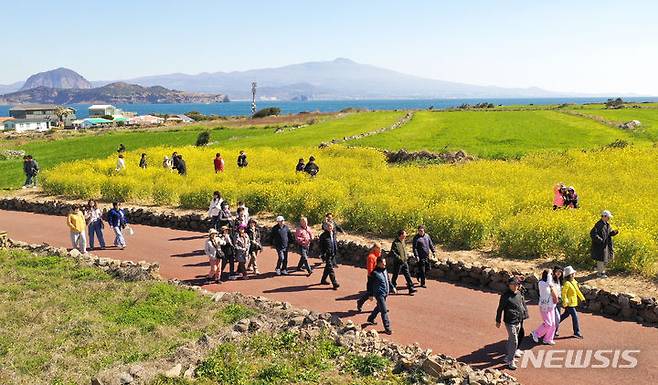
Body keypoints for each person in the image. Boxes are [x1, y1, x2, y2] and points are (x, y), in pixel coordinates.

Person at [495, 277, 529, 370]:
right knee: (514, 340)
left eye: (517, 284)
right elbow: (500, 309)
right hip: (509, 321)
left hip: (518, 320)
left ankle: (508, 356)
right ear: (509, 285)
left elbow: (522, 305)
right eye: (513, 284)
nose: (515, 286)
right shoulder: (505, 296)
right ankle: (511, 360)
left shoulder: (519, 293)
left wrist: (524, 315)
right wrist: (498, 320)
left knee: (511, 339)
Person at [366, 256, 393, 335]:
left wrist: (392, 287)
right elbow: (369, 284)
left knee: (379, 307)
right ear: (378, 264)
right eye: (383, 263)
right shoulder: (374, 273)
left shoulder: (385, 271)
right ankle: (387, 328)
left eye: (385, 262)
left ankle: (370, 318)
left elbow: (388, 280)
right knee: (384, 310)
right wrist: (370, 294)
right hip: (379, 294)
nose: (385, 264)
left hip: (385, 293)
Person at [530, 270, 558, 345]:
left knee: (553, 324)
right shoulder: (541, 283)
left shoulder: (551, 283)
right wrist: (549, 273)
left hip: (551, 306)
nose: (552, 276)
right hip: (544, 306)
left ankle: (548, 339)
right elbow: (549, 284)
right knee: (548, 323)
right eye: (550, 275)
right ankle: (536, 333)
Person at [590, 210, 618, 278]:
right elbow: (593, 234)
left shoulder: (606, 224)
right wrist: (600, 240)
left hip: (605, 245)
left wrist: (613, 233)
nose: (609, 218)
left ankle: (601, 271)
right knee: (600, 259)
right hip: (600, 245)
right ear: (604, 216)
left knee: (604, 258)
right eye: (608, 217)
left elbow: (608, 233)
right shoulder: (598, 224)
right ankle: (600, 273)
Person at [559, 265, 585, 339]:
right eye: (573, 273)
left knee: (565, 315)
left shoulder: (574, 282)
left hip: (572, 303)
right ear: (570, 275)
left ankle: (554, 325)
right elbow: (563, 293)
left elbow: (577, 291)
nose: (574, 274)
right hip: (569, 304)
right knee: (575, 316)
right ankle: (576, 332)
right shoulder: (567, 283)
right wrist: (565, 301)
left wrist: (582, 299)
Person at [390, 230, 417, 295]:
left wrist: (405, 257)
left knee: (408, 275)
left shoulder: (403, 241)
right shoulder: (395, 243)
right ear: (401, 235)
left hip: (404, 262)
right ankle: (392, 287)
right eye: (405, 234)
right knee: (395, 276)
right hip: (398, 263)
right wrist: (400, 259)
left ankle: (411, 289)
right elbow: (393, 252)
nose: (406, 235)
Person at [356, 242, 382, 311]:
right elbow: (370, 270)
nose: (380, 249)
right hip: (372, 278)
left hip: (378, 277)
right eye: (379, 248)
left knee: (378, 292)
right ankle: (360, 302)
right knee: (371, 293)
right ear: (375, 248)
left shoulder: (378, 255)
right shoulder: (371, 257)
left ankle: (381, 306)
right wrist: (376, 276)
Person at [319, 222, 340, 289]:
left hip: (332, 254)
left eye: (331, 226)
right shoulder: (323, 236)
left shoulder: (333, 233)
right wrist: (322, 255)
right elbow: (321, 246)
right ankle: (334, 283)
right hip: (327, 255)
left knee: (327, 268)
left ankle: (323, 280)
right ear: (325, 227)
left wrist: (335, 250)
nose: (330, 228)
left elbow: (334, 243)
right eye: (328, 226)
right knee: (330, 269)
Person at [551, 266, 564, 337]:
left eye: (560, 271)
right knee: (553, 317)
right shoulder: (552, 280)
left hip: (559, 301)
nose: (559, 273)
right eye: (557, 271)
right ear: (554, 272)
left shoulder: (561, 280)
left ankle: (555, 330)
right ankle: (551, 331)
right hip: (552, 301)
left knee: (557, 317)